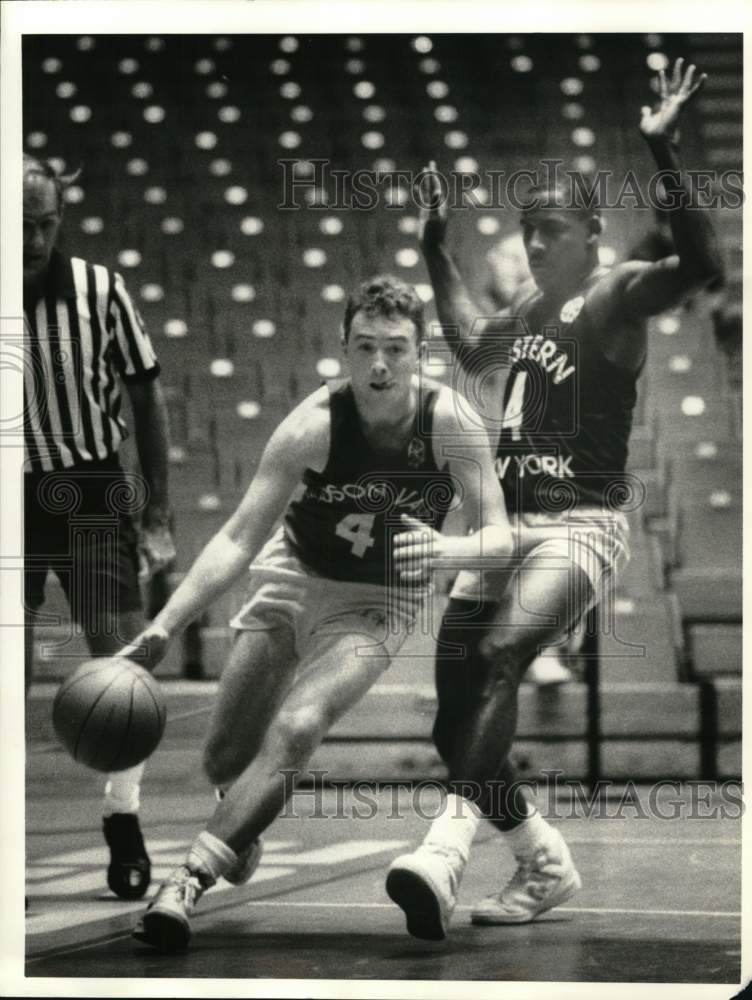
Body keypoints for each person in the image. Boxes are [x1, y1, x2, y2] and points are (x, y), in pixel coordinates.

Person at [386, 58, 723, 940]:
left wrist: (662, 148)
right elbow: (464, 343)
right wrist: (432, 241)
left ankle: (446, 850)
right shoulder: (532, 311)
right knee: (454, 722)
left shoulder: (617, 296)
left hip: (580, 525)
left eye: (552, 230)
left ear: (592, 237)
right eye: (527, 230)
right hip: (505, 528)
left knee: (502, 657)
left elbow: (704, 259)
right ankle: (543, 860)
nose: (535, 244)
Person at [123, 275, 513, 953]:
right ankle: (238, 821)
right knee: (222, 761)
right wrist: (167, 623)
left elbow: (501, 534)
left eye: (396, 348)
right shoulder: (313, 422)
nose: (381, 365)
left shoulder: (447, 421)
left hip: (378, 601)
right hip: (294, 575)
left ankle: (187, 881)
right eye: (365, 347)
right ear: (343, 347)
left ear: (421, 352)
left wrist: (450, 549)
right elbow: (240, 535)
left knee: (301, 724)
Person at [23, 154, 175, 901]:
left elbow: (147, 398)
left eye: (46, 222)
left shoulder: (99, 289)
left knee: (121, 665)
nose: (34, 238)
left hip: (87, 488)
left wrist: (157, 511)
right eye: (19, 225)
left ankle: (123, 817)